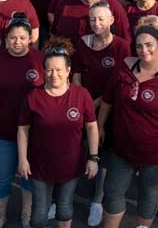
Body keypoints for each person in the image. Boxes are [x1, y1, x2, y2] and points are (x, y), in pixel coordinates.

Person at [97, 24, 158, 228]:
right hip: (122, 149)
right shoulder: (124, 68)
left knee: (148, 191)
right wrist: (100, 126)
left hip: (156, 152)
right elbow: (107, 100)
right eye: (139, 46)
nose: (144, 50)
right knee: (112, 191)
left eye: (149, 45)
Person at [18, 37, 100, 228]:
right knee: (38, 215)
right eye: (49, 70)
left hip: (70, 165)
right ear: (43, 71)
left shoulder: (81, 95)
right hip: (39, 165)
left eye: (59, 70)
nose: (54, 75)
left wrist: (93, 158)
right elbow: (23, 129)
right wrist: (23, 159)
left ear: (68, 70)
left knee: (64, 208)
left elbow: (91, 126)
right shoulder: (33, 97)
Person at [0, 16, 43, 228]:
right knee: (1, 175)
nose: (17, 42)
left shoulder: (40, 60)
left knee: (28, 176)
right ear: (6, 39)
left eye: (22, 37)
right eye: (13, 38)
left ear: (30, 38)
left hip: (34, 133)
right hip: (0, 131)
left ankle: (27, 213)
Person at [71, 1, 129, 226]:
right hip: (83, 107)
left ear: (111, 21)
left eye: (101, 19)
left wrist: (94, 103)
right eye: (93, 19)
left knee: (103, 156)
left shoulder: (122, 46)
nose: (96, 23)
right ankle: (61, 198)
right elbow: (75, 75)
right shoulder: (82, 43)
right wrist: (83, 101)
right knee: (77, 150)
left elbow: (118, 82)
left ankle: (97, 201)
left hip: (109, 109)